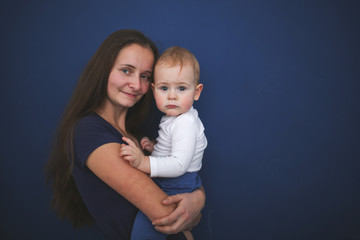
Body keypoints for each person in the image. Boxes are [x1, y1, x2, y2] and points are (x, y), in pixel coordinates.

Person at [46, 30, 205, 240]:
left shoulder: (138, 138)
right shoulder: (89, 131)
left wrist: (197, 200)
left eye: (145, 76)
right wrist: (195, 203)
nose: (136, 85)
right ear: (104, 70)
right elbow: (167, 214)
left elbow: (187, 208)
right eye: (126, 71)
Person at [120, 46, 207, 240]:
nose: (172, 96)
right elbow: (175, 148)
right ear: (154, 90)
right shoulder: (176, 118)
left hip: (176, 183)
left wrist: (143, 162)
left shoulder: (185, 122)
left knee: (146, 229)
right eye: (164, 88)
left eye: (182, 88)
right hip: (176, 180)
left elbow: (178, 164)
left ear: (197, 91)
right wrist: (156, 147)